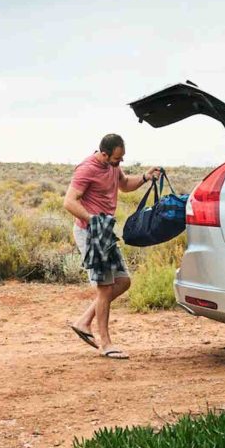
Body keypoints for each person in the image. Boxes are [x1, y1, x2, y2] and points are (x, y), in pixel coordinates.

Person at [64, 133, 160, 360]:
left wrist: (146, 177)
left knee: (123, 281)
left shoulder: (113, 167)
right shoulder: (86, 169)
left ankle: (83, 321)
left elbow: (125, 185)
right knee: (105, 288)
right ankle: (105, 344)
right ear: (104, 154)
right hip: (91, 232)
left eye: (121, 158)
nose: (120, 162)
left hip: (105, 232)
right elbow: (69, 201)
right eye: (117, 158)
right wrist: (92, 219)